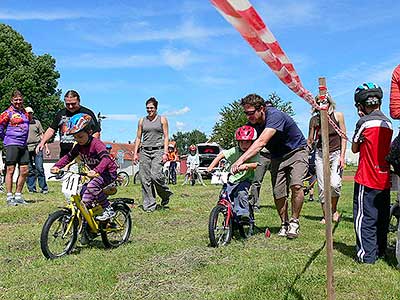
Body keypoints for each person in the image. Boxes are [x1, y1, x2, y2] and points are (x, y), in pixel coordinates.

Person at [230, 94, 308, 239]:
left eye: (251, 113)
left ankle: (294, 222)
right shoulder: (252, 124)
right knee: (278, 193)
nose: (248, 117)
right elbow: (245, 142)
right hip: (277, 157)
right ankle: (284, 224)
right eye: (246, 113)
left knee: (296, 185)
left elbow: (261, 142)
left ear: (262, 109)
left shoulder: (275, 116)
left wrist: (240, 161)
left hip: (296, 151)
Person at [352, 82, 392, 264]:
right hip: (384, 177)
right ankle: (380, 250)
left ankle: (366, 255)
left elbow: (354, 148)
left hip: (367, 177)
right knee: (382, 216)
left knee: (364, 217)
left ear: (361, 105)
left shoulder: (363, 122)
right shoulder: (388, 123)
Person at [50, 113, 118, 221]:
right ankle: (90, 222)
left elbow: (106, 159)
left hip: (108, 172)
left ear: (89, 132)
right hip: (95, 173)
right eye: (75, 137)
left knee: (92, 187)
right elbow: (68, 157)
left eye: (80, 136)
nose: (78, 140)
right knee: (82, 192)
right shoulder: (78, 147)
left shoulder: (96, 144)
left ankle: (108, 209)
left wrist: (96, 171)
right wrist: (57, 166)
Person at [308, 95, 346, 224]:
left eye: (324, 102)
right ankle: (326, 215)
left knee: (334, 184)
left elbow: (344, 137)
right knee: (323, 187)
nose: (322, 105)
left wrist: (342, 156)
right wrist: (308, 146)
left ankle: (334, 210)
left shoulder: (338, 116)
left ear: (329, 103)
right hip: (320, 154)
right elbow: (310, 139)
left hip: (336, 153)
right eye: (319, 103)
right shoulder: (314, 120)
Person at [207, 125, 259, 220]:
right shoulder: (234, 150)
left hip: (244, 179)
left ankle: (243, 214)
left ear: (252, 142)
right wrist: (210, 167)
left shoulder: (253, 152)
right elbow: (221, 155)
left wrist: (246, 166)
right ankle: (227, 216)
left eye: (247, 142)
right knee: (224, 195)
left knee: (241, 193)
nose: (244, 145)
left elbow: (257, 164)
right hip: (230, 179)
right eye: (241, 142)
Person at [132, 97, 173, 212]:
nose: (149, 110)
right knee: (144, 178)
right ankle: (149, 205)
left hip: (158, 150)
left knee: (155, 175)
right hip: (145, 151)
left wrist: (165, 153)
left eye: (152, 108)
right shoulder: (142, 121)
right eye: (148, 108)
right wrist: (136, 153)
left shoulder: (162, 120)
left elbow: (166, 137)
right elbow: (139, 137)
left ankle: (165, 195)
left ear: (156, 108)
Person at [37, 90, 100, 158]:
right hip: (65, 153)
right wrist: (42, 142)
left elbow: (96, 132)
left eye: (73, 104)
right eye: (67, 104)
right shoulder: (61, 113)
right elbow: (51, 129)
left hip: (83, 153)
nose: (70, 106)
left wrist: (92, 147)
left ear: (79, 101)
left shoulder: (87, 113)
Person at [0, 90, 30, 205]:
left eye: (20, 99)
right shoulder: (7, 113)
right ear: (12, 100)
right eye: (16, 100)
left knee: (24, 170)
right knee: (10, 170)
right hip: (11, 144)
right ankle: (9, 196)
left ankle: (18, 195)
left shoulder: (25, 113)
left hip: (23, 144)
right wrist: (6, 138)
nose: (18, 102)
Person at [25, 107, 50, 194]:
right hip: (26, 148)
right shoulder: (22, 123)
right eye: (27, 113)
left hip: (37, 146)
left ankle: (44, 188)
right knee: (30, 169)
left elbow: (42, 135)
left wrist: (46, 147)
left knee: (39, 168)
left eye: (30, 113)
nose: (29, 114)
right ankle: (31, 188)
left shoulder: (37, 122)